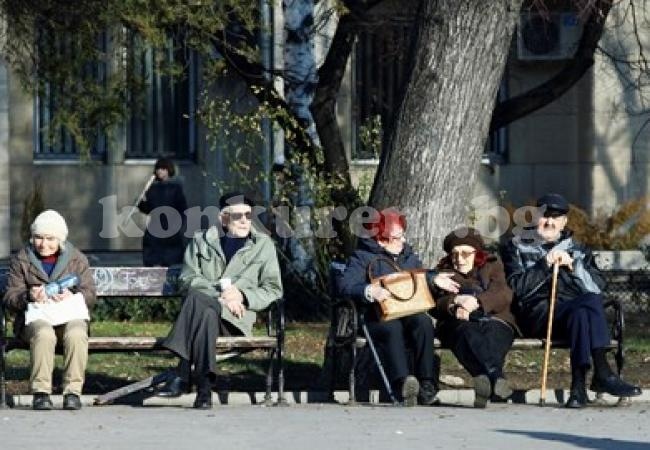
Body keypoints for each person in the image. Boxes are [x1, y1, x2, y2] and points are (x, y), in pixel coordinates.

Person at [501, 193, 642, 408]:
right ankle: (602, 373)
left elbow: (597, 287)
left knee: (583, 311)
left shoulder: (578, 250)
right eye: (544, 216)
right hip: (537, 314)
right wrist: (544, 265)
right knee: (587, 304)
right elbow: (517, 289)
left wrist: (574, 266)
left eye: (556, 218)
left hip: (572, 316)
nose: (549, 222)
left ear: (564, 222)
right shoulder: (516, 246)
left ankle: (578, 390)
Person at [156, 192, 282, 409]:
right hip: (207, 316)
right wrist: (220, 296)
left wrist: (242, 295)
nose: (244, 220)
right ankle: (204, 390)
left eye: (248, 215)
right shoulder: (201, 241)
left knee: (199, 300)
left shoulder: (263, 245)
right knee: (205, 310)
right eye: (238, 216)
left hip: (235, 319)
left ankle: (183, 372)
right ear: (223, 219)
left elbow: (273, 289)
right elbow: (186, 279)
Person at [338, 208, 459, 406]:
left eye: (402, 235)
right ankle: (402, 382)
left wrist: (434, 278)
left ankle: (427, 383)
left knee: (423, 323)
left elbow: (418, 275)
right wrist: (370, 291)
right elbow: (346, 286)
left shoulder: (407, 255)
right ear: (380, 239)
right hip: (375, 315)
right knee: (391, 328)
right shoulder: (362, 257)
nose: (402, 241)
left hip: (407, 309)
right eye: (396, 237)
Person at [3, 210, 96, 410]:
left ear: (60, 239)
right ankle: (41, 392)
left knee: (77, 333)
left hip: (68, 316)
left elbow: (89, 293)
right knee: (44, 334)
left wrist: (74, 296)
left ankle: (72, 392)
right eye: (38, 238)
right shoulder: (22, 259)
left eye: (50, 239)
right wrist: (28, 296)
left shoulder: (76, 259)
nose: (44, 244)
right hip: (36, 318)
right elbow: (10, 296)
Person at [433, 227, 517, 408]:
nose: (459, 259)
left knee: (493, 333)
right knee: (465, 332)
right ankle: (496, 377)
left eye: (465, 253)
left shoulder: (493, 265)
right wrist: (455, 302)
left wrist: (477, 302)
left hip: (495, 318)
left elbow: (502, 293)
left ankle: (483, 379)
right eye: (454, 254)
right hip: (458, 322)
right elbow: (435, 302)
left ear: (476, 253)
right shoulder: (443, 272)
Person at [137, 158, 188, 267]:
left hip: (171, 227)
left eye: (163, 169)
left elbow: (182, 208)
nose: (160, 171)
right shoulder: (152, 188)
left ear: (168, 170)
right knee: (152, 257)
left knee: (172, 259)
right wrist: (141, 202)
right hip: (155, 227)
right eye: (158, 169)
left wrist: (179, 225)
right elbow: (148, 209)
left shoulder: (175, 188)